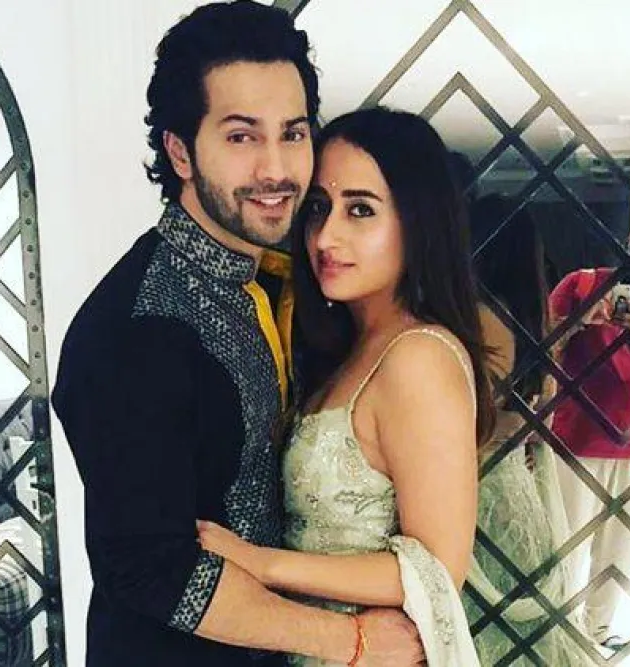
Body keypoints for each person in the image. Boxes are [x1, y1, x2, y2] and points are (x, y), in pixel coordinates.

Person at [51, 4, 423, 665]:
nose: (276, 168)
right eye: (242, 136)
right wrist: (352, 641)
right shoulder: (135, 329)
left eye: (293, 133)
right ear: (180, 151)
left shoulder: (285, 281)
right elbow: (150, 566)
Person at [195, 106, 490, 666]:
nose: (326, 236)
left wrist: (262, 563)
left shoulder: (418, 358)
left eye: (360, 210)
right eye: (318, 209)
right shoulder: (349, 349)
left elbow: (437, 570)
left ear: (418, 222)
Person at [467, 194, 596, 666]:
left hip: (478, 491)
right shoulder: (529, 321)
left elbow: (466, 418)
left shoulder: (479, 319)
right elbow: (539, 417)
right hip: (517, 492)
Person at [546, 216, 630, 649]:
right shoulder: (582, 284)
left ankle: (597, 632)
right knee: (567, 544)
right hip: (576, 439)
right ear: (628, 246)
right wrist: (579, 320)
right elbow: (539, 345)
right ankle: (557, 633)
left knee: (621, 546)